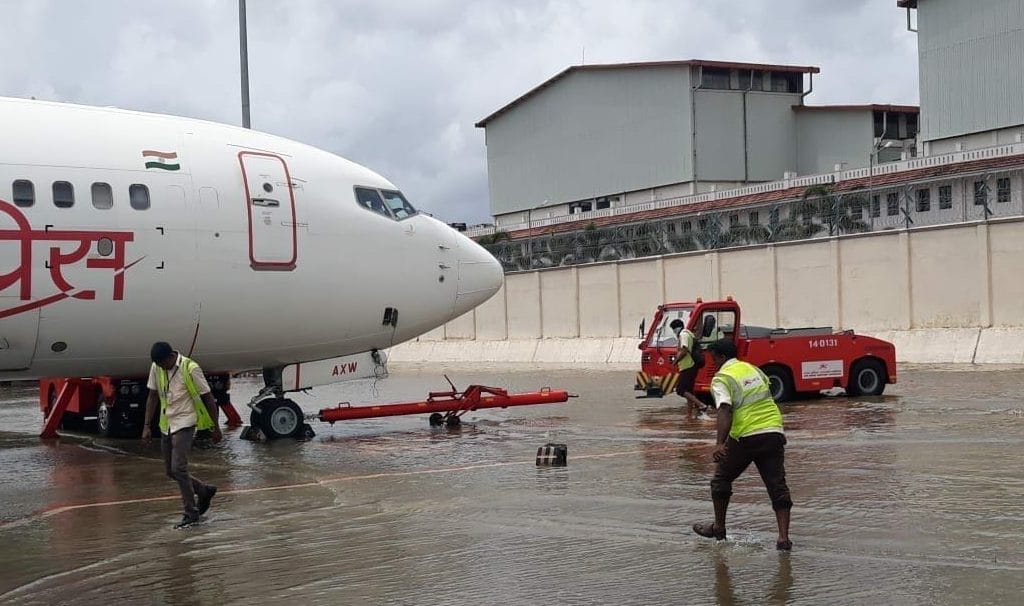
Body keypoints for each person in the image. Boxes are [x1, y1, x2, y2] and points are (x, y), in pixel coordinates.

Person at [692, 339, 792, 550]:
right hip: (773, 430)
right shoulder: (753, 369)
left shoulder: (722, 378)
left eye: (713, 358)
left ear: (719, 357)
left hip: (746, 435)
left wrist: (719, 443)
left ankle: (719, 528)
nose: (712, 362)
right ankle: (783, 539)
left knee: (721, 480)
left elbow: (725, 409)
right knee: (777, 486)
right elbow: (766, 395)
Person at [142, 342, 222, 528]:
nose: (161, 368)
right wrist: (146, 426)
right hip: (167, 423)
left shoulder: (190, 368)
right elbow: (152, 396)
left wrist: (215, 427)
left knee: (179, 468)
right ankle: (203, 490)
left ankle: (190, 512)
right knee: (171, 471)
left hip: (186, 421)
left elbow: (208, 398)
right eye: (158, 365)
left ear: (171, 356)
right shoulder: (157, 367)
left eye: (163, 364)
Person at [670, 319, 704, 413]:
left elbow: (684, 350)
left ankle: (701, 405)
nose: (674, 332)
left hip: (688, 366)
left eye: (673, 329)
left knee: (680, 390)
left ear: (676, 328)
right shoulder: (689, 334)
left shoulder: (683, 335)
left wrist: (675, 361)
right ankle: (689, 414)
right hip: (691, 365)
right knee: (689, 390)